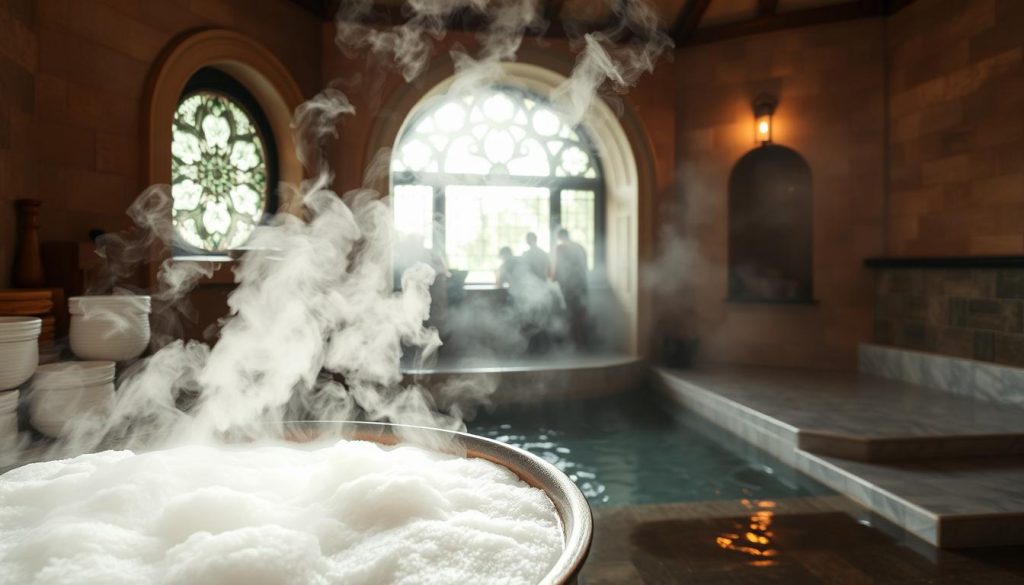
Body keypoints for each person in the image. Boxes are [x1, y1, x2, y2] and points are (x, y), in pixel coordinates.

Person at [552, 228, 589, 348]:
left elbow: (558, 269)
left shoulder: (561, 248)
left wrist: (554, 280)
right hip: (582, 285)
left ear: (559, 237)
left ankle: (573, 341)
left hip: (569, 286)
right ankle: (581, 342)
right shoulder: (579, 247)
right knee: (580, 313)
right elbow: (585, 267)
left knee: (570, 314)